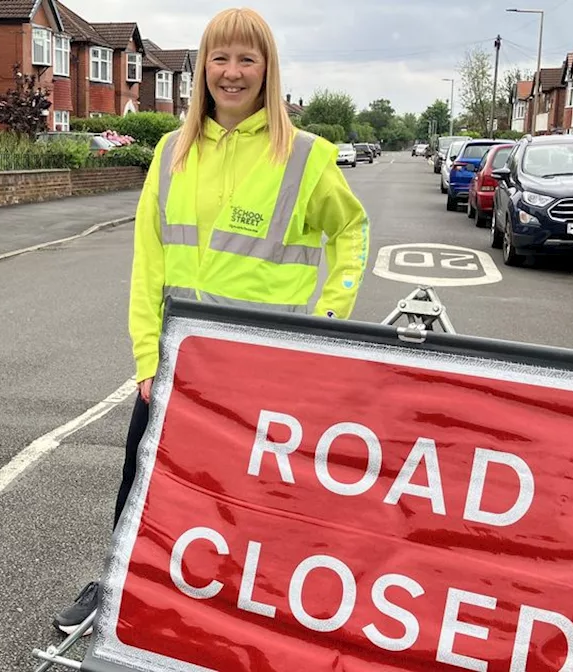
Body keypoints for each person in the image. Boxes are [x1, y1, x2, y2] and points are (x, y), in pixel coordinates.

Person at [52, 6, 370, 635]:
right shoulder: (171, 151)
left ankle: (251, 605)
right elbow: (148, 264)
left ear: (267, 69)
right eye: (219, 59)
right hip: (180, 361)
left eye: (246, 59)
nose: (231, 72)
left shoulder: (304, 157)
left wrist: (330, 320)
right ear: (202, 71)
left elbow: (352, 232)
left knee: (256, 495)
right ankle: (119, 584)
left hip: (266, 368)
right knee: (143, 479)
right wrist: (147, 358)